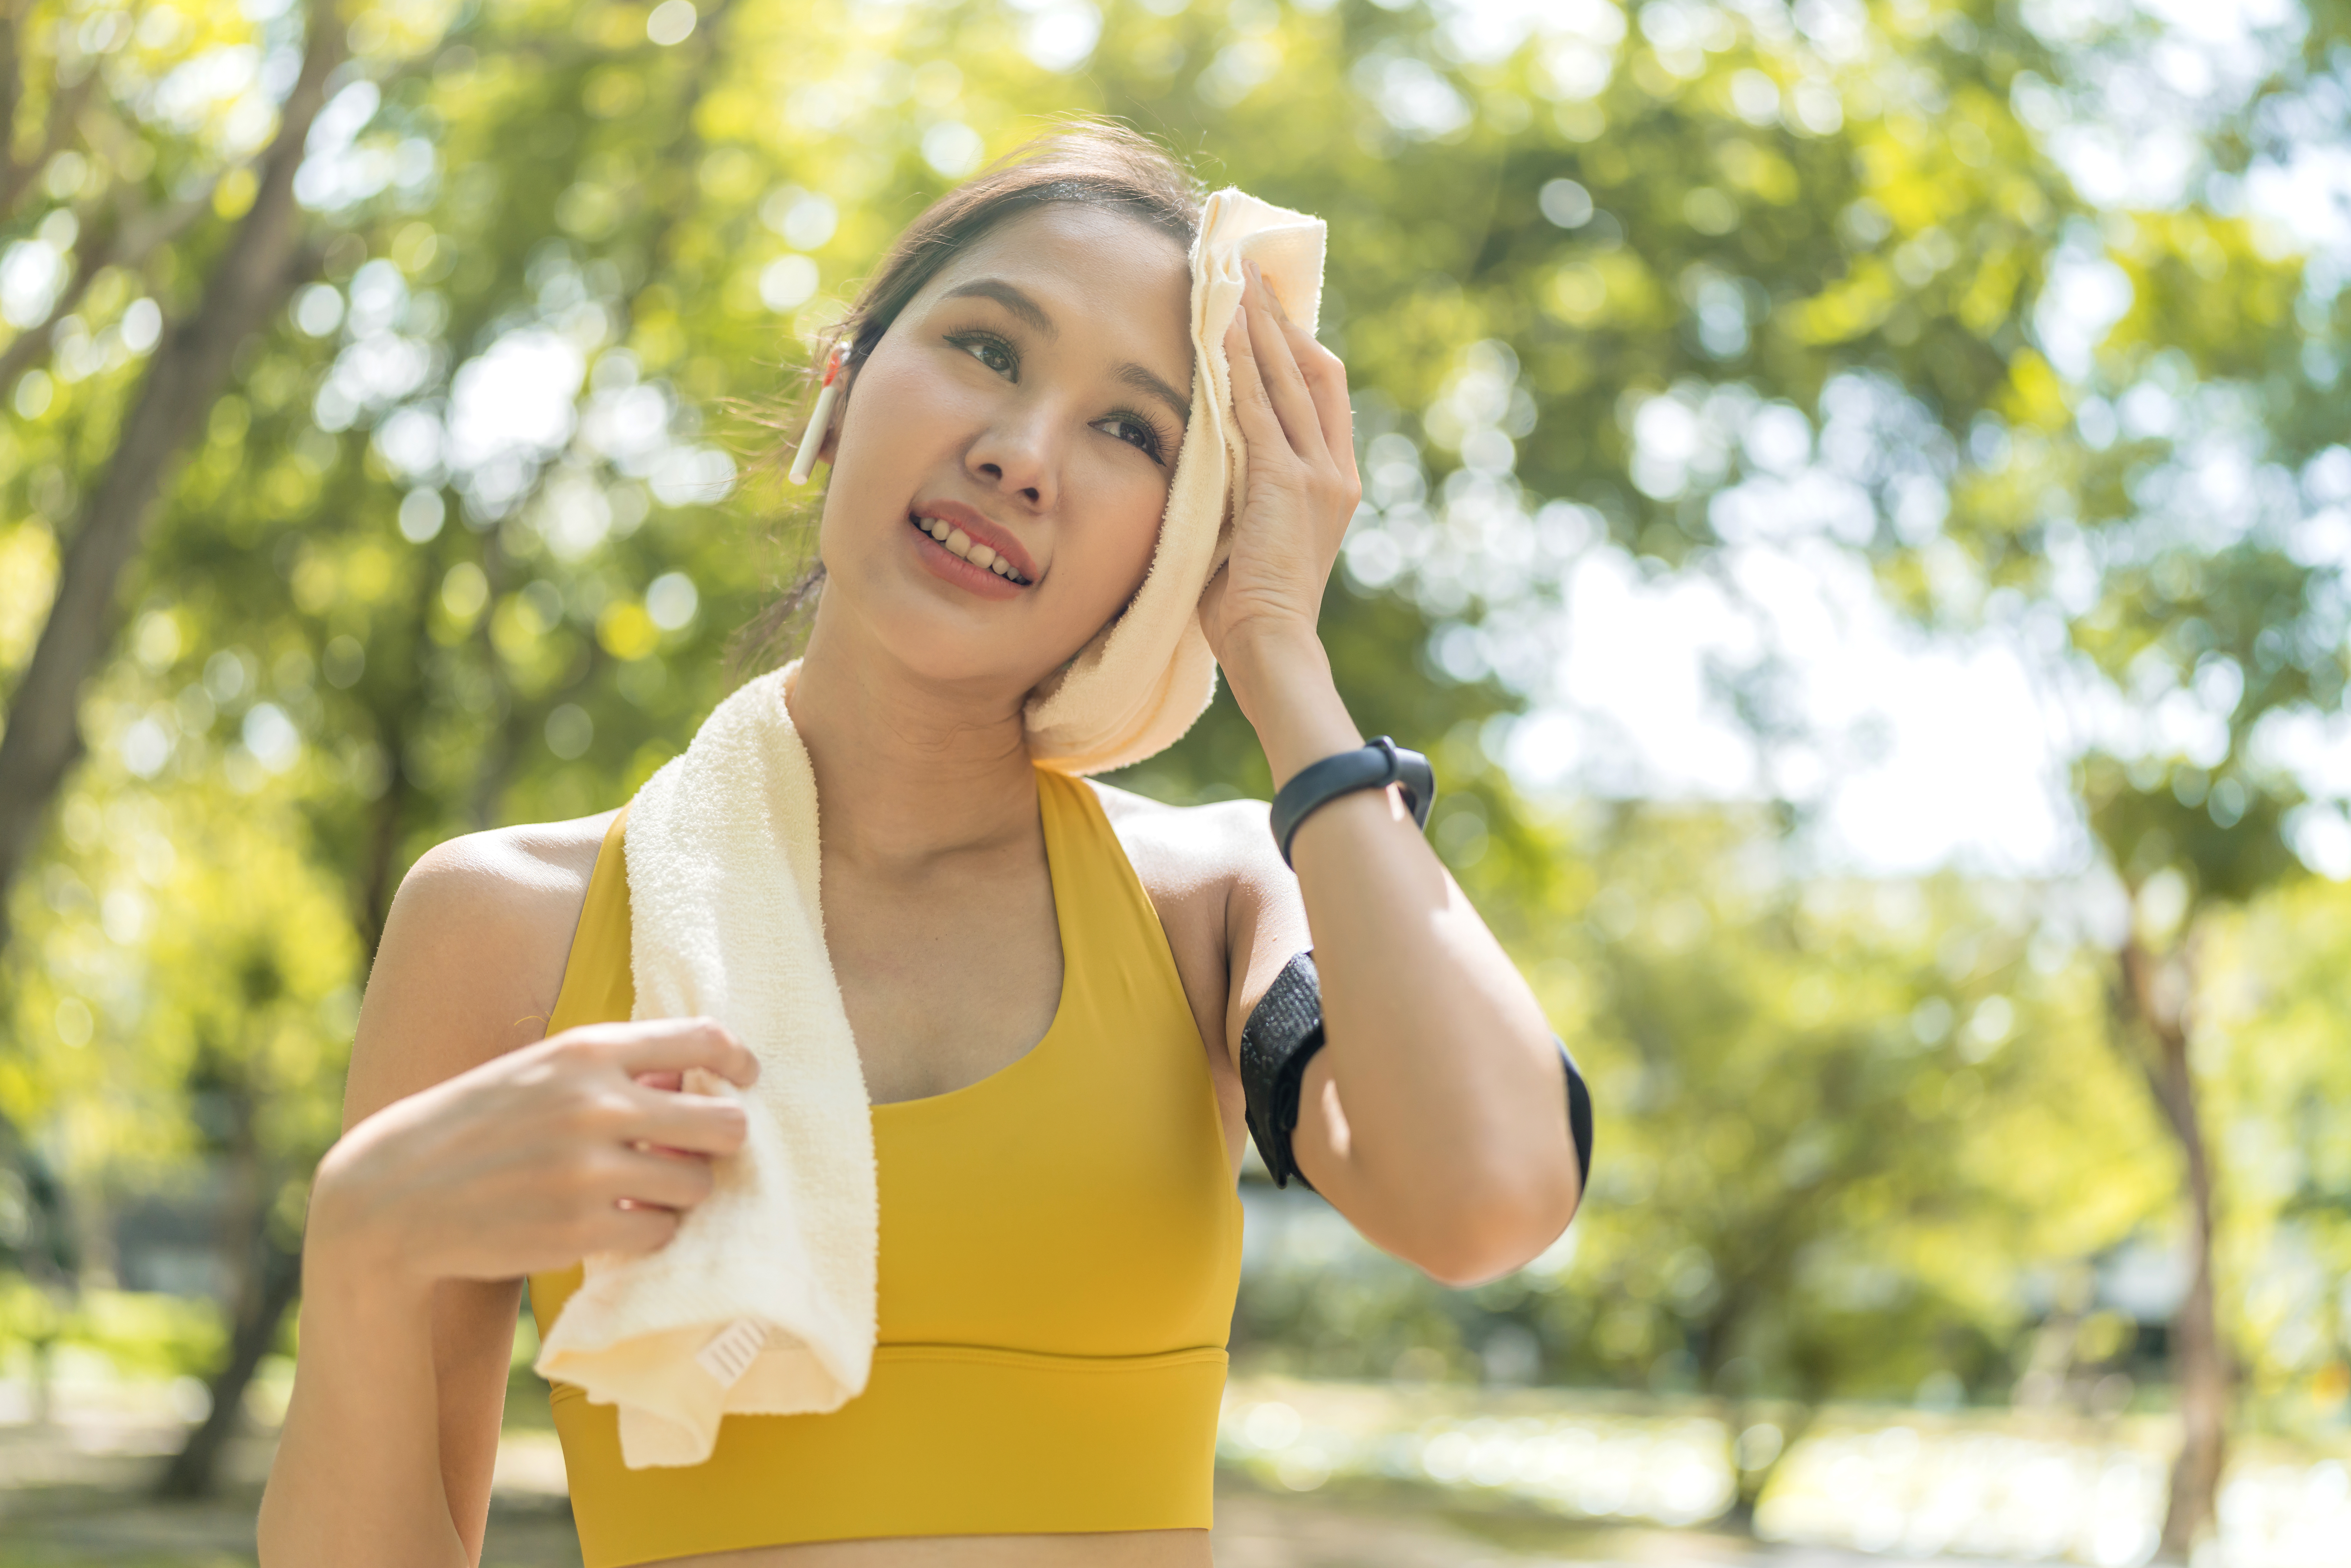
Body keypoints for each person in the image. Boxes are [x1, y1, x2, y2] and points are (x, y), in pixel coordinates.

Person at [257, 123, 1584, 1568]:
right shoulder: (506, 927)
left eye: (1131, 430)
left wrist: (1274, 647)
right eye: (989, 351)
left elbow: (1489, 1198)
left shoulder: (1214, 902)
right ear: (842, 384)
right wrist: (366, 1244)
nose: (1019, 456)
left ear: (1184, 536)